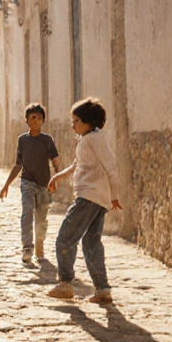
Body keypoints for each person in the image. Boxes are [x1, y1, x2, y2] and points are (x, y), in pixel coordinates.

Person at [46, 98, 123, 304]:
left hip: (89, 197)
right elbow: (76, 165)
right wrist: (58, 176)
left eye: (77, 120)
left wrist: (115, 195)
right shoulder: (86, 139)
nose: (73, 124)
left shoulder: (95, 139)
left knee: (65, 237)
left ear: (90, 123)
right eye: (73, 120)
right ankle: (103, 289)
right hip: (97, 198)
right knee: (91, 242)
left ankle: (65, 284)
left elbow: (111, 167)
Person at [0, 103, 62, 264]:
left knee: (41, 218)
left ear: (43, 121)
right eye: (33, 117)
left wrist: (57, 177)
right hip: (27, 181)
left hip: (44, 185)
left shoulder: (47, 140)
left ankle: (40, 244)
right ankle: (27, 247)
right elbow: (18, 164)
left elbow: (55, 160)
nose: (36, 121)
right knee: (27, 212)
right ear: (27, 120)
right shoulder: (22, 140)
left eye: (39, 118)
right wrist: (6, 184)